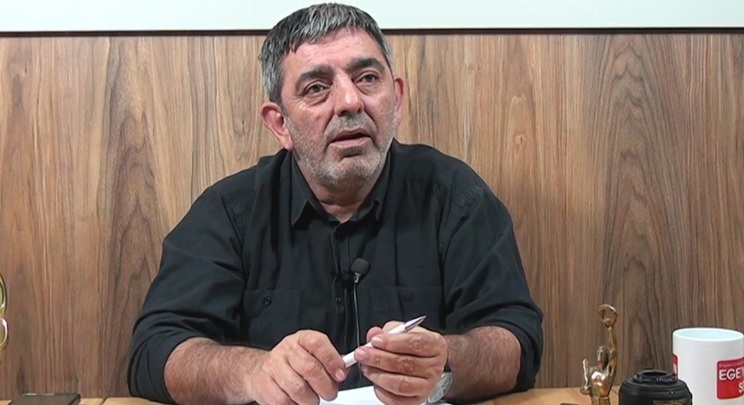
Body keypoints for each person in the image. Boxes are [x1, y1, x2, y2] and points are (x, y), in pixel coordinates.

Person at [127, 3, 544, 405]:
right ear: (280, 123)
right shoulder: (229, 213)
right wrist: (251, 372)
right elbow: (154, 352)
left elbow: (518, 341)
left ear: (396, 99)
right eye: (316, 88)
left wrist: (446, 362)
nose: (349, 102)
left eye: (367, 78)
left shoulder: (455, 197)